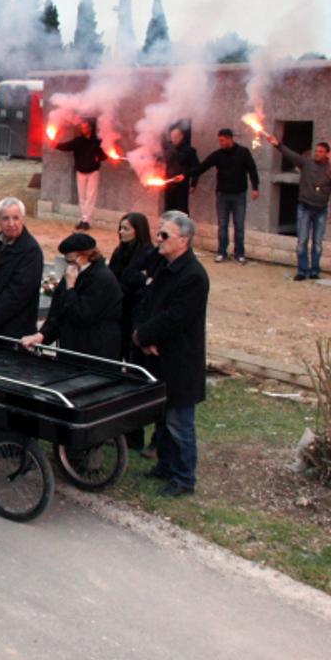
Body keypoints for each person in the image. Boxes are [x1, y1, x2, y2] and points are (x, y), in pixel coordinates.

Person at [133, 211, 210, 497]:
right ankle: (165, 466)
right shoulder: (164, 266)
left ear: (184, 240)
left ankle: (184, 478)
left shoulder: (193, 276)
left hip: (179, 359)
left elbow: (176, 317)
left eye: (165, 235)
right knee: (163, 419)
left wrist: (144, 335)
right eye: (159, 233)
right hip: (158, 355)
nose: (159, 240)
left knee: (180, 422)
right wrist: (142, 335)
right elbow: (148, 303)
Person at [108, 211, 163, 452]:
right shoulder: (120, 253)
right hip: (119, 319)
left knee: (137, 379)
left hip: (136, 322)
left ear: (138, 230)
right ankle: (126, 431)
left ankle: (141, 436)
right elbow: (118, 280)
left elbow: (139, 285)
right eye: (120, 228)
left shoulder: (148, 254)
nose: (122, 233)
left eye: (126, 228)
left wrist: (135, 281)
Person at [20, 233, 122, 359]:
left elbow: (81, 315)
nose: (68, 264)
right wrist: (42, 336)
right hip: (72, 348)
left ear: (85, 255)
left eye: (71, 259)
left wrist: (70, 287)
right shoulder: (72, 274)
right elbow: (58, 312)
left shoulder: (102, 278)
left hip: (95, 351)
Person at [264, 132, 331, 280]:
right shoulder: (306, 163)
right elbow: (290, 155)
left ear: (327, 154)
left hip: (321, 211)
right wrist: (277, 144)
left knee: (317, 243)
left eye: (320, 152)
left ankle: (314, 271)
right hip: (304, 208)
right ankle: (302, 271)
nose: (317, 154)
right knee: (302, 242)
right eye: (316, 151)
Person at [190, 127, 260, 263]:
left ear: (229, 139)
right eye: (219, 141)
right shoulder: (218, 154)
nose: (220, 143)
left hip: (239, 195)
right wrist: (187, 175)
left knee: (239, 226)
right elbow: (203, 167)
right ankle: (222, 252)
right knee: (222, 225)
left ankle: (239, 254)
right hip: (222, 195)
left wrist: (255, 187)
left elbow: (252, 170)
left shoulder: (243, 152)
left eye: (222, 140)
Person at [0, 197, 43, 338]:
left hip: (14, 331)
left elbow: (16, 296)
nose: (11, 224)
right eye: (6, 218)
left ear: (23, 219)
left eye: (16, 218)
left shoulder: (31, 251)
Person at [55, 119, 109, 230]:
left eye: (85, 127)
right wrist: (56, 144)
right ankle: (84, 219)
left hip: (93, 172)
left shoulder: (97, 141)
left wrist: (99, 157)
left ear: (90, 128)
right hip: (80, 172)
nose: (83, 129)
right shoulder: (78, 141)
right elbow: (66, 146)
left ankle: (86, 221)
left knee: (91, 197)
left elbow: (104, 155)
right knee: (82, 197)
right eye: (82, 127)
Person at [162, 126, 199, 214]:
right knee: (168, 210)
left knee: (182, 210)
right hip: (169, 184)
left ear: (181, 136)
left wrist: (193, 184)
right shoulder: (167, 149)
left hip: (182, 186)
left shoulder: (189, 151)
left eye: (176, 136)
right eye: (172, 137)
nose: (173, 139)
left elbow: (196, 168)